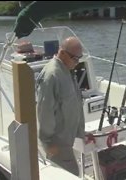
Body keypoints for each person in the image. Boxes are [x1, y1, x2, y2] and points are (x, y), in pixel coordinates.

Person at [36, 36, 86, 176]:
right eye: (75, 58)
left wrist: (81, 132)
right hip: (58, 144)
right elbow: (44, 112)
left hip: (69, 138)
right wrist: (48, 144)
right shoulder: (51, 76)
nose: (77, 62)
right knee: (72, 175)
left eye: (79, 58)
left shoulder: (67, 70)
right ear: (63, 53)